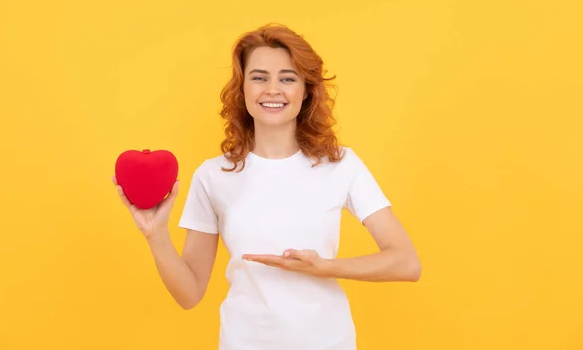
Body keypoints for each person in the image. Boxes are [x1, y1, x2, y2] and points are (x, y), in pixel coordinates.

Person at [112, 23, 421, 350]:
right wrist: (156, 236)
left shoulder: (340, 164)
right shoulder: (213, 175)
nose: (272, 89)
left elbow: (406, 262)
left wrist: (324, 267)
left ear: (306, 91)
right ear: (242, 88)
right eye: (259, 77)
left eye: (288, 78)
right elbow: (189, 294)